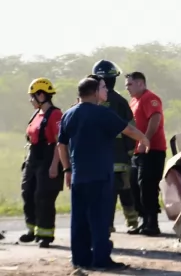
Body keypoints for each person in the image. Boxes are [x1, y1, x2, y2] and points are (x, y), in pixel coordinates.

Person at [57, 77, 150, 270]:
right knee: (99, 220)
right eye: (102, 87)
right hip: (99, 175)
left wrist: (67, 169)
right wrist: (144, 139)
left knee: (79, 220)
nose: (106, 90)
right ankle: (101, 260)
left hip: (78, 176)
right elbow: (128, 130)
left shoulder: (68, 114)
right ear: (93, 92)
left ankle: (81, 259)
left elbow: (61, 145)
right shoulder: (102, 113)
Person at [92, 60, 139, 233]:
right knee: (124, 190)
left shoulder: (94, 102)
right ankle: (132, 222)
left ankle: (109, 224)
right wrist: (129, 151)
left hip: (103, 157)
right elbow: (131, 128)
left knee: (108, 193)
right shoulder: (120, 101)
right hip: (120, 157)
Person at [20, 78, 64, 248]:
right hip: (33, 160)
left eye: (32, 96)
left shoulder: (55, 115)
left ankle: (45, 234)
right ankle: (32, 230)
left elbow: (59, 142)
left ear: (41, 95)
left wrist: (55, 165)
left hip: (48, 160)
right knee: (28, 193)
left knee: (43, 197)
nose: (31, 100)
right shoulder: (36, 114)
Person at [125, 71, 167, 236]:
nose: (127, 88)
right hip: (137, 152)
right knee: (135, 185)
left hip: (152, 150)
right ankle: (143, 220)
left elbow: (155, 118)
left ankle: (152, 223)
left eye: (130, 84)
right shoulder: (133, 101)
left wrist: (145, 140)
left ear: (140, 83)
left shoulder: (150, 98)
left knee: (147, 186)